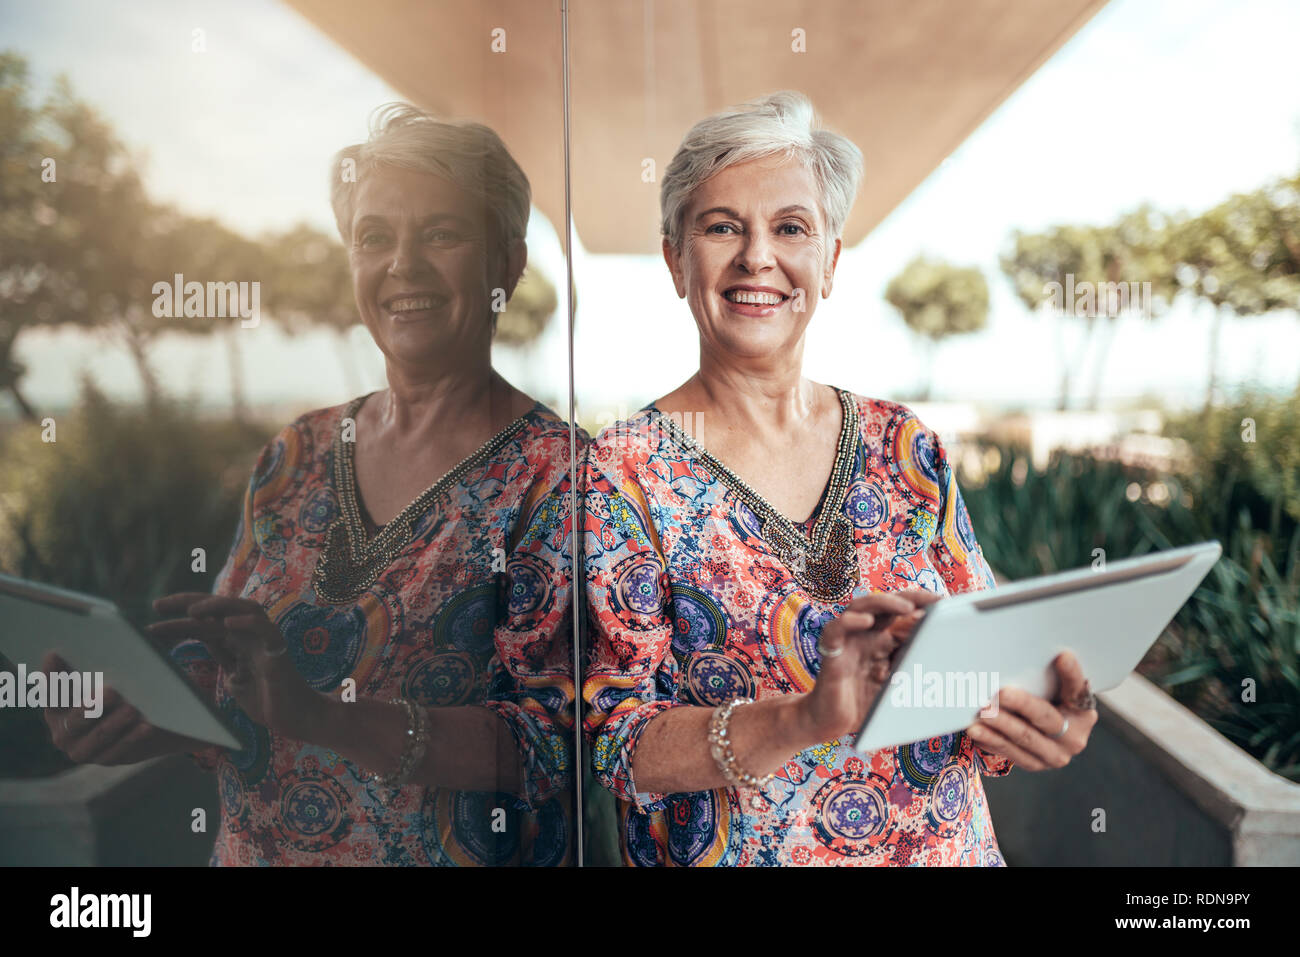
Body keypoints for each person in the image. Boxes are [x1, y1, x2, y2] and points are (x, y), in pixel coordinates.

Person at [44, 103, 577, 866]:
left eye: (441, 233)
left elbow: (555, 742)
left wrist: (324, 716)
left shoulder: (561, 475)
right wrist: (142, 714)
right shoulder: (294, 454)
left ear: (507, 262)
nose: (403, 264)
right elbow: (234, 682)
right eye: (374, 237)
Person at [581, 91, 1098, 867]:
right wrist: (804, 716)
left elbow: (986, 656)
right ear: (674, 259)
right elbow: (615, 741)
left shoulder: (904, 445)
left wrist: (1044, 716)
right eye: (723, 226)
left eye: (791, 227)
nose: (758, 256)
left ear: (829, 262)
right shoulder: (620, 473)